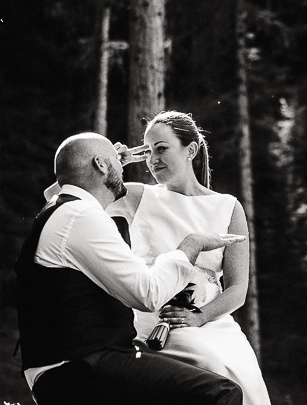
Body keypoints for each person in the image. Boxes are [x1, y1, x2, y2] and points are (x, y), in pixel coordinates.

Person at [14, 132, 245, 405]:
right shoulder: (81, 216)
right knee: (220, 393)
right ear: (101, 165)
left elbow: (66, 182)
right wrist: (191, 246)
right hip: (77, 368)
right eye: (115, 160)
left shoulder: (64, 210)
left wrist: (105, 162)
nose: (122, 166)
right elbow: (147, 294)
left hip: (69, 363)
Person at [109, 111, 272, 405]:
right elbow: (61, 195)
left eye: (161, 149)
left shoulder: (227, 207)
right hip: (161, 319)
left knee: (247, 378)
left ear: (191, 150)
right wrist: (111, 163)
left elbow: (237, 290)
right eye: (147, 152)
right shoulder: (138, 197)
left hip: (212, 321)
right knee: (214, 368)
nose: (152, 159)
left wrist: (199, 318)